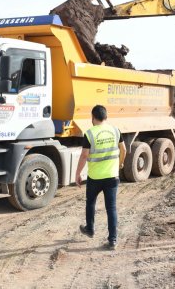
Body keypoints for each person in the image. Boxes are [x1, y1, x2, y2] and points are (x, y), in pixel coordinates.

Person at [75, 105, 126, 250]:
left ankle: (90, 229)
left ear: (93, 117)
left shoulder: (90, 133)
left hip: (95, 178)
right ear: (106, 117)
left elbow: (84, 155)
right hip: (112, 177)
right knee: (111, 208)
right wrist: (120, 163)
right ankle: (113, 240)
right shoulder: (115, 131)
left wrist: (78, 173)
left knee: (90, 203)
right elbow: (124, 149)